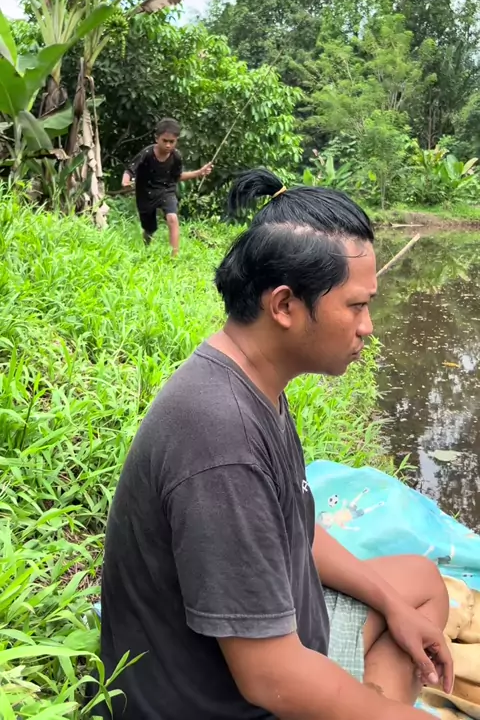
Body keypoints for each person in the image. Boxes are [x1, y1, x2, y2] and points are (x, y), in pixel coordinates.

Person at [100, 169, 452, 720]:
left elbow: (294, 528)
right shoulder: (221, 437)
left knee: (419, 585)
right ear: (284, 306)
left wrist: (391, 605)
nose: (368, 327)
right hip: (226, 698)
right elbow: (270, 678)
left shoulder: (253, 379)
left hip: (282, 639)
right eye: (356, 306)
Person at [121, 117, 213, 256]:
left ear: (176, 141)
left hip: (166, 191)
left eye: (172, 142)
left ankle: (174, 257)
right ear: (156, 138)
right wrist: (125, 181)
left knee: (172, 218)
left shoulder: (176, 156)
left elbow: (177, 176)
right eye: (165, 141)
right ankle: (146, 247)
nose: (168, 145)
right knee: (149, 228)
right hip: (145, 192)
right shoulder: (147, 153)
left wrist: (199, 173)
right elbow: (130, 170)